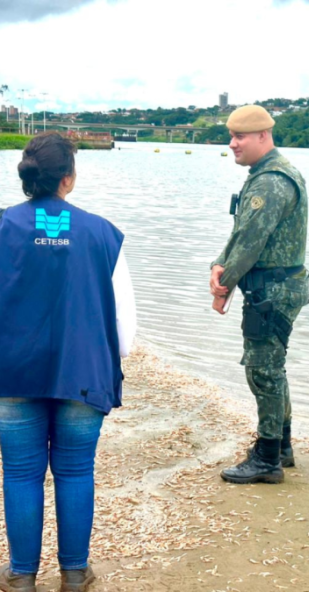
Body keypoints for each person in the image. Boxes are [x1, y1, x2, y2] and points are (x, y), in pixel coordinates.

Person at [0, 132, 137, 592]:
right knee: (76, 470)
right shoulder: (102, 232)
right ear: (68, 178)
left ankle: (21, 576)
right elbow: (125, 325)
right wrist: (109, 361)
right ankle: (74, 572)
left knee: (21, 473)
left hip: (12, 373)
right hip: (83, 374)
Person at [209, 105, 309, 485]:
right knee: (272, 367)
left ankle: (267, 458)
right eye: (231, 136)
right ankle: (280, 445)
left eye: (240, 137)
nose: (232, 144)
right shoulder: (266, 174)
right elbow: (242, 233)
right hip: (275, 285)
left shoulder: (271, 182)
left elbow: (251, 242)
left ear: (263, 136)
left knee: (263, 370)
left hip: (274, 289)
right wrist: (219, 264)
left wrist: (224, 284)